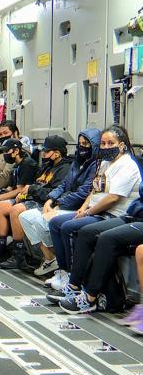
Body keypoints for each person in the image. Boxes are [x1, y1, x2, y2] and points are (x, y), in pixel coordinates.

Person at [47, 125, 141, 307]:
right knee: (57, 223)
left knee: (73, 228)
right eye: (103, 143)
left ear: (121, 145)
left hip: (112, 214)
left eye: (110, 143)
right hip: (94, 210)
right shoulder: (104, 163)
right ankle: (68, 274)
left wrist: (88, 213)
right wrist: (82, 209)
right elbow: (94, 190)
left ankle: (77, 284)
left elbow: (113, 198)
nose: (105, 147)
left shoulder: (127, 165)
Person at [18, 129, 100, 281]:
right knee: (25, 217)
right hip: (62, 202)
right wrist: (50, 200)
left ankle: (63, 268)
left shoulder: (95, 166)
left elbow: (83, 193)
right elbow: (63, 185)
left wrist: (58, 205)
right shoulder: (77, 162)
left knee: (44, 220)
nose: (82, 147)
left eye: (86, 144)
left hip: (77, 206)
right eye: (80, 143)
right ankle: (51, 258)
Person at [57, 182, 143, 314]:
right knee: (86, 233)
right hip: (134, 215)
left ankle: (90, 298)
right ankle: (74, 286)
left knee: (107, 239)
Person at [0, 135, 71, 270]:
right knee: (0, 206)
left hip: (46, 203)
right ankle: (1, 246)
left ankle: (19, 255)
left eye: (47, 151)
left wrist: (31, 190)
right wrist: (27, 192)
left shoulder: (65, 169)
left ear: (57, 153)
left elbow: (53, 193)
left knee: (16, 211)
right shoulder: (48, 166)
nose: (43, 154)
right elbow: (37, 184)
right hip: (34, 197)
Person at [0, 138, 39, 262]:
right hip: (15, 195)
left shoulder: (27, 164)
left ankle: (2, 245)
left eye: (7, 151)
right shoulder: (17, 165)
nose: (5, 155)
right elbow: (12, 187)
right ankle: (4, 238)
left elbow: (20, 190)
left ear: (16, 151)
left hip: (25, 198)